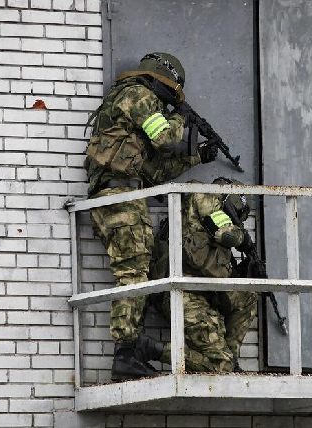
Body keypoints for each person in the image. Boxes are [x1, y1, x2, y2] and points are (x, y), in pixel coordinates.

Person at [83, 52, 219, 381]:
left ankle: (128, 353)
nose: (170, 102)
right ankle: (125, 355)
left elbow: (154, 171)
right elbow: (166, 138)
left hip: (122, 196)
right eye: (172, 94)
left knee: (136, 273)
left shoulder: (129, 111)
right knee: (132, 275)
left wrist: (197, 157)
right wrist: (181, 117)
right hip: (120, 199)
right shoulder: (138, 94)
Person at [144, 178, 258, 373]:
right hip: (184, 294)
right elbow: (226, 233)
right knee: (222, 368)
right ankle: (152, 349)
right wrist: (244, 240)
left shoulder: (205, 227)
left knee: (248, 296)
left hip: (200, 294)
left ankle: (229, 359)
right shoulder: (205, 195)